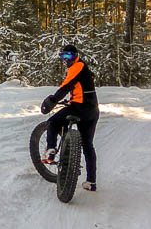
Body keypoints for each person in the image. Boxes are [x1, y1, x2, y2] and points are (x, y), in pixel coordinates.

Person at [40, 44, 99, 192]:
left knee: (53, 122)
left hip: (80, 109)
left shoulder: (77, 66)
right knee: (87, 146)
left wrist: (52, 100)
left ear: (75, 56)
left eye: (69, 56)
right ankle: (91, 182)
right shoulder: (85, 68)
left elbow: (66, 86)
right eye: (63, 56)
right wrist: (70, 100)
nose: (66, 60)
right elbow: (81, 88)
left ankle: (51, 149)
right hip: (92, 111)